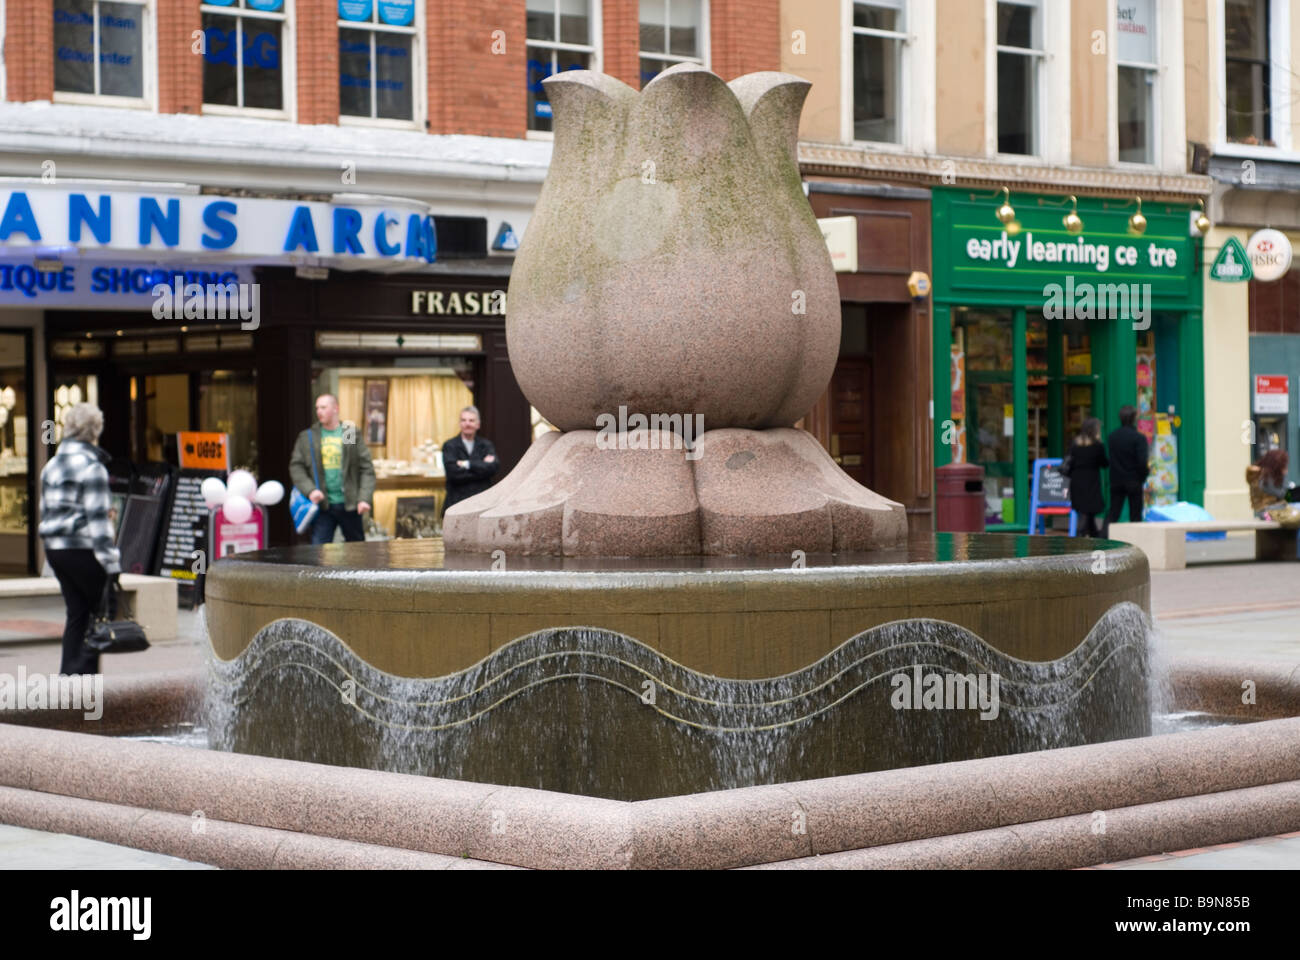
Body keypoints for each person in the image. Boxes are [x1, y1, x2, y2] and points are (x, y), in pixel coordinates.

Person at [38, 403, 120, 675]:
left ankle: (69, 676)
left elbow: (44, 511)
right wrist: (112, 564)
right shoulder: (92, 468)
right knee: (98, 614)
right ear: (95, 431)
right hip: (83, 550)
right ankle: (85, 682)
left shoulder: (51, 466)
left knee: (76, 612)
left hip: (56, 550)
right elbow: (99, 523)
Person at [289, 394, 375, 544]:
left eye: (323, 407)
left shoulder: (348, 431)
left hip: (350, 504)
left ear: (336, 408)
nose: (319, 411)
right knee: (320, 551)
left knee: (356, 550)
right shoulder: (310, 436)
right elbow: (296, 467)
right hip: (323, 505)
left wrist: (364, 498)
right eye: (317, 408)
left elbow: (366, 468)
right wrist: (310, 490)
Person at [442, 406, 499, 515]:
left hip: (482, 504)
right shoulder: (449, 445)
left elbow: (494, 468)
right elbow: (453, 473)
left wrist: (467, 464)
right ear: (460, 423)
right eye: (463, 420)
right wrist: (482, 469)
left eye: (471, 420)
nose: (467, 423)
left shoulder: (486, 445)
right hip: (456, 504)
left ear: (478, 424)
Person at [1105, 404, 1149, 532]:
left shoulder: (1112, 437)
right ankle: (1136, 541)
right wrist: (1143, 476)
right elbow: (1142, 462)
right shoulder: (1139, 438)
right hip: (1134, 480)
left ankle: (1102, 538)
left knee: (1113, 513)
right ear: (1134, 418)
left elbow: (1111, 459)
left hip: (1116, 479)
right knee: (1135, 515)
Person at [1066, 417, 1108, 537]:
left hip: (1077, 482)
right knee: (1086, 513)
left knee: (1086, 513)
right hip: (1091, 483)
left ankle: (1094, 537)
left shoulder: (1075, 444)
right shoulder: (1097, 446)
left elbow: (1069, 462)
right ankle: (1080, 539)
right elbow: (1104, 463)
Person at [1247, 449, 1290, 518]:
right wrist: (1284, 476)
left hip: (1267, 510)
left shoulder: (1262, 475)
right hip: (1268, 511)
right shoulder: (1265, 479)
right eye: (1284, 465)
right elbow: (1282, 494)